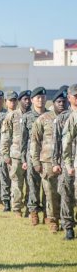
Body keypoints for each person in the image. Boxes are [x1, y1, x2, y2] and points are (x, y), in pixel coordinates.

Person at [30, 88, 67, 233]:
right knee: (50, 193)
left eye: (64, 101)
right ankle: (53, 220)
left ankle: (65, 219)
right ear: (54, 103)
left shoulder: (70, 118)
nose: (62, 104)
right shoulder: (43, 119)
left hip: (66, 162)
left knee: (65, 193)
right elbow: (35, 141)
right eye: (59, 101)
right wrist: (35, 162)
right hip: (47, 162)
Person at [53, 85, 77, 239]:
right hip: (67, 163)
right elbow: (57, 143)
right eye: (75, 95)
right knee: (66, 195)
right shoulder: (63, 118)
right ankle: (68, 228)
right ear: (69, 98)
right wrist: (56, 162)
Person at [23, 87, 48, 224]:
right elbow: (23, 140)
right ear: (32, 100)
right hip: (31, 156)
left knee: (47, 185)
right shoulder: (27, 117)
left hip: (47, 157)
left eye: (43, 97)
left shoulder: (51, 116)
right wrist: (23, 159)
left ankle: (47, 212)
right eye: (38, 97)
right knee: (32, 185)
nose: (41, 100)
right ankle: (33, 212)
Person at [0, 92, 27, 217]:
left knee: (32, 184)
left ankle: (30, 208)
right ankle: (16, 208)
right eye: (24, 99)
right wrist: (5, 154)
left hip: (31, 156)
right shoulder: (12, 116)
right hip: (15, 156)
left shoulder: (33, 116)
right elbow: (5, 137)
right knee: (16, 183)